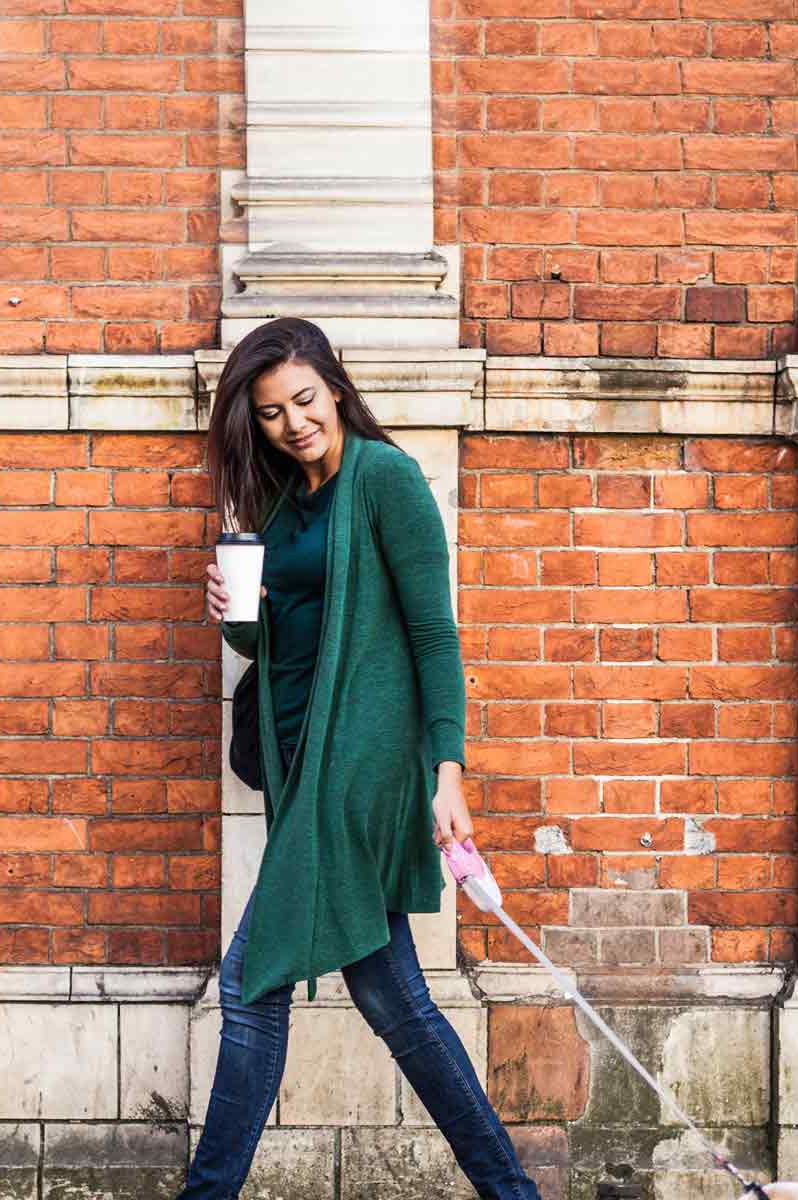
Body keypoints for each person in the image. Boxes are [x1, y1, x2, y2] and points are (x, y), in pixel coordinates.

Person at [186, 317, 538, 1199]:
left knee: (250, 984)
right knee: (398, 1004)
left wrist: (447, 772)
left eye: (304, 400)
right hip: (300, 761)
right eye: (269, 413)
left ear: (335, 389)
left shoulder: (386, 480)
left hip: (363, 769)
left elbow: (433, 634)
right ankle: (511, 1191)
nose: (293, 423)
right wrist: (233, 607)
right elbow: (264, 645)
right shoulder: (272, 503)